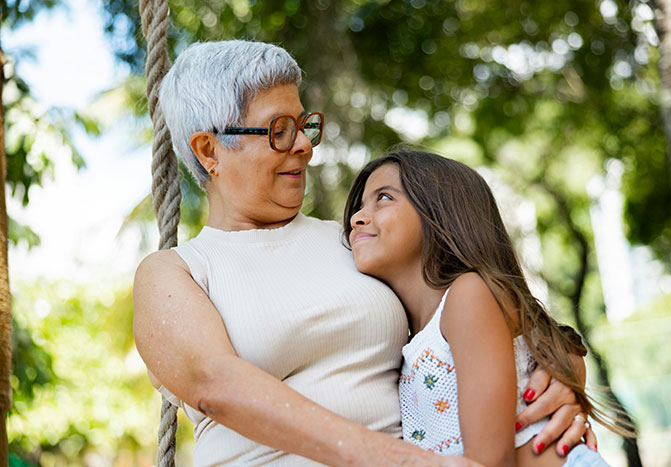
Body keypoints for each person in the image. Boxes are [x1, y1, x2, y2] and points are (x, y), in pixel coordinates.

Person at [133, 39, 592, 466]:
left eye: (305, 125)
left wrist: (559, 378)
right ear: (209, 150)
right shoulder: (176, 273)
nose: (304, 145)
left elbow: (487, 316)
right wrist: (405, 463)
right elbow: (216, 384)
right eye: (280, 130)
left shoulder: (355, 242)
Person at [343, 149, 626, 466]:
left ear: (438, 214)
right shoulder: (419, 336)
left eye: (383, 197)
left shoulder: (468, 294)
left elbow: (491, 461)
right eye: (359, 205)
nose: (357, 217)